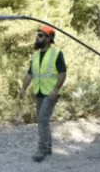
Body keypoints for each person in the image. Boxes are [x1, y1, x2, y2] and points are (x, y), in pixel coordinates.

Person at [18, 25, 67, 162]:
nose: (37, 37)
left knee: (42, 120)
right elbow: (30, 74)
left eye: (40, 35)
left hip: (51, 92)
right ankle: (49, 147)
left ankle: (42, 149)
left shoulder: (57, 53)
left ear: (48, 39)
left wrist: (56, 89)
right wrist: (23, 88)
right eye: (37, 35)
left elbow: (63, 73)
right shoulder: (35, 55)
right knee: (43, 120)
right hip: (39, 91)